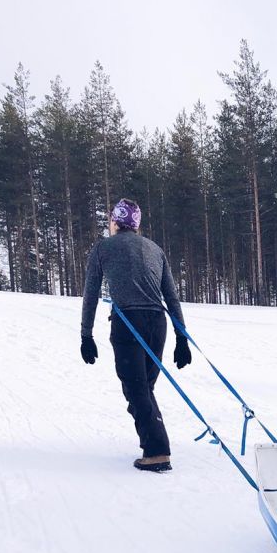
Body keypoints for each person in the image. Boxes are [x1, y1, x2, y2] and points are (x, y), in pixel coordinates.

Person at [79, 198, 192, 473]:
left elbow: (90, 294)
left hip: (129, 322)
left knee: (135, 387)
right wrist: (181, 338)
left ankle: (156, 452)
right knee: (145, 387)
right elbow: (172, 297)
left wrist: (86, 335)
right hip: (157, 323)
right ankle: (153, 443)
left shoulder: (102, 248)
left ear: (116, 222)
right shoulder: (155, 249)